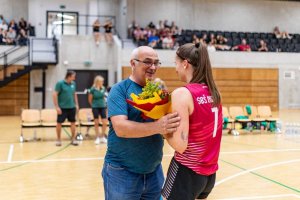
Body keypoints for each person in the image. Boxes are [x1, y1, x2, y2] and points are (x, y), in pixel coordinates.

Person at [102, 46, 180, 200]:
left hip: (154, 171)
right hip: (122, 172)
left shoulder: (159, 92)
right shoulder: (119, 90)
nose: (153, 67)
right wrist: (158, 126)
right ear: (133, 63)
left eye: (156, 63)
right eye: (148, 62)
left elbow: (165, 126)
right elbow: (121, 128)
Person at [161, 43, 223, 200]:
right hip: (209, 175)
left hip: (186, 172)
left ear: (185, 63)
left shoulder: (183, 94)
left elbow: (180, 145)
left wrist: (162, 128)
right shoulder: (214, 92)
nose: (175, 69)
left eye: (175, 63)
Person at [52, 71, 79, 146]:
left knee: (73, 123)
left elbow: (74, 94)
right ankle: (58, 139)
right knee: (59, 123)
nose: (74, 78)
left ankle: (73, 139)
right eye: (73, 76)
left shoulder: (73, 84)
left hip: (72, 107)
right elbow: (54, 95)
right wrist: (57, 107)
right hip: (62, 108)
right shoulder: (60, 83)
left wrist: (76, 104)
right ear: (69, 76)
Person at [88, 75, 108, 144]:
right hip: (95, 107)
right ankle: (97, 137)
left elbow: (104, 97)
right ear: (97, 81)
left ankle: (102, 136)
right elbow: (90, 99)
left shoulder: (103, 88)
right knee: (96, 122)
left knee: (104, 122)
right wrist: (93, 106)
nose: (102, 82)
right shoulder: (92, 89)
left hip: (103, 106)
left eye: (103, 81)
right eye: (101, 81)